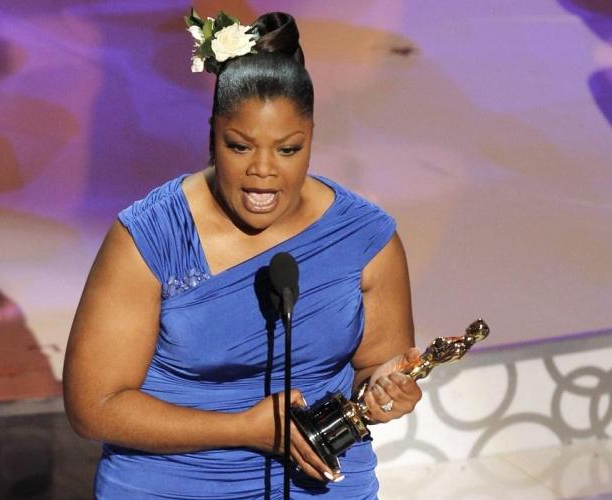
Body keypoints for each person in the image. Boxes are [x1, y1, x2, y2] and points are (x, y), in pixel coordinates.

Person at [63, 9, 422, 499]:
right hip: (173, 483)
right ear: (213, 133)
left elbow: (376, 365)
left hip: (318, 482)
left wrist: (385, 392)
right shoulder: (151, 235)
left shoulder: (365, 236)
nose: (263, 170)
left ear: (311, 138)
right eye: (240, 146)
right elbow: (95, 407)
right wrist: (244, 429)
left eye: (288, 150)